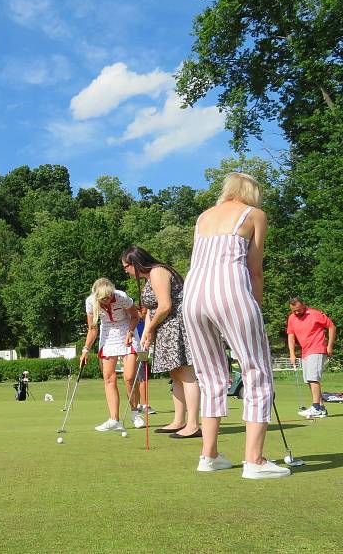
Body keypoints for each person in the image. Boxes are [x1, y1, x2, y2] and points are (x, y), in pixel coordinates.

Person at [183, 172, 289, 479]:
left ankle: (209, 455)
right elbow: (254, 270)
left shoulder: (203, 217)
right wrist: (256, 305)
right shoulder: (254, 214)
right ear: (252, 191)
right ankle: (254, 460)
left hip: (193, 297)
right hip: (230, 292)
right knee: (256, 370)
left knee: (210, 375)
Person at [121, 246, 200, 439]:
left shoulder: (158, 272)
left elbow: (165, 306)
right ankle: (179, 421)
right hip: (165, 328)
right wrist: (148, 333)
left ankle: (193, 424)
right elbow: (152, 309)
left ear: (135, 263)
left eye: (126, 267)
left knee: (186, 373)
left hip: (177, 327)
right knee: (175, 374)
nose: (126, 271)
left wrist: (149, 328)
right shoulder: (150, 278)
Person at [81, 278, 144, 431]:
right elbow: (92, 328)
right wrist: (86, 349)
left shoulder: (121, 296)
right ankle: (114, 419)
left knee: (129, 377)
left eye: (108, 298)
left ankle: (135, 414)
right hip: (107, 334)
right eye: (103, 299)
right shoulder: (90, 302)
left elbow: (135, 316)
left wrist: (130, 332)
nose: (107, 301)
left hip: (126, 329)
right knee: (109, 378)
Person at [287, 297, 337, 419]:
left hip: (317, 348)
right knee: (309, 380)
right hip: (305, 351)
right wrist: (292, 354)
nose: (296, 313)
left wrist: (329, 346)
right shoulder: (292, 318)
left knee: (313, 378)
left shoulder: (315, 314)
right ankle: (321, 408)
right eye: (294, 311)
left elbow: (331, 327)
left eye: (298, 310)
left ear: (304, 305)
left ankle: (316, 408)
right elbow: (291, 336)